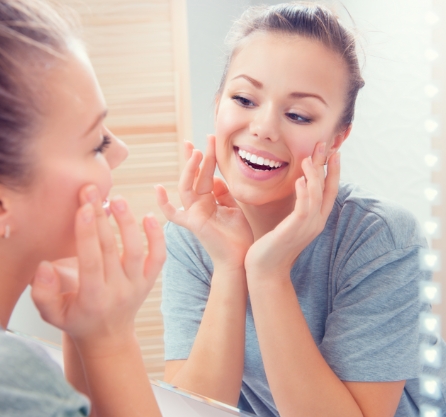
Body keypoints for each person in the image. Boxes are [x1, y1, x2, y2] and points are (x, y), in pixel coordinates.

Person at [156, 2, 446, 417]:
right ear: (218, 103)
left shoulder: (379, 239)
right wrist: (228, 265)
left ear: (337, 138)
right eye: (243, 98)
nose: (264, 128)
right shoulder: (192, 233)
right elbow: (194, 410)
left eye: (298, 114)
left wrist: (268, 272)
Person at [0, 0, 165, 416]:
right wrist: (112, 341)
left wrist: (89, 329)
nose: (120, 151)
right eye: (96, 144)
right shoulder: (17, 383)